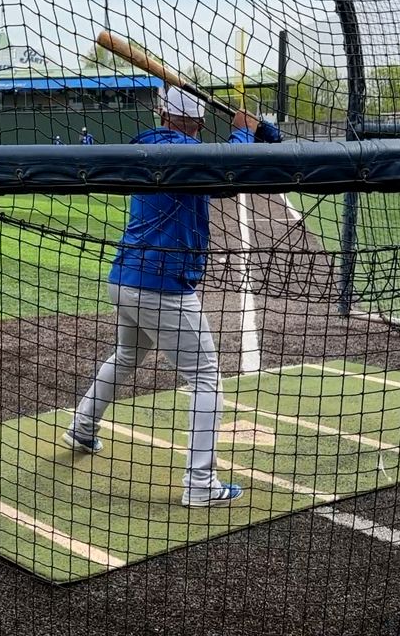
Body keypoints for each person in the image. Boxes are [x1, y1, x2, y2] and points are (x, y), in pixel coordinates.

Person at [62, 86, 282, 508]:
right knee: (205, 378)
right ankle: (200, 483)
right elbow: (225, 169)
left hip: (124, 279)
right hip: (161, 286)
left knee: (126, 356)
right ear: (196, 121)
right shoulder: (190, 155)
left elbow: (229, 175)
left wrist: (257, 134)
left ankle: (83, 427)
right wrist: (242, 132)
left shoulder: (153, 146)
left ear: (162, 113)